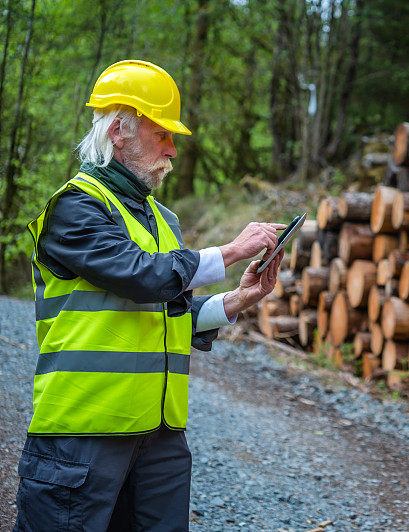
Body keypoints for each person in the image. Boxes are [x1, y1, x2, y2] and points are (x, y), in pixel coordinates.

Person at [14, 60, 285, 531]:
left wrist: (238, 299)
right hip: (83, 432)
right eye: (163, 134)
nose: (173, 150)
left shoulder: (163, 219)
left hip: (159, 438)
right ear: (120, 130)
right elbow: (141, 276)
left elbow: (168, 310)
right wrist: (231, 250)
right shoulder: (75, 207)